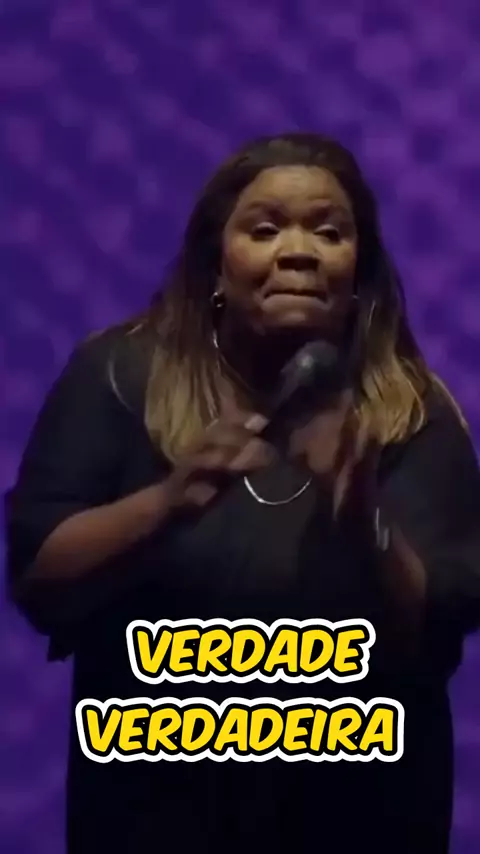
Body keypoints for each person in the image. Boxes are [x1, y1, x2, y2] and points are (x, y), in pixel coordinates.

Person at [5, 132, 480, 854]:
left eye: (330, 232)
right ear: (216, 266)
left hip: (360, 819)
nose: (300, 252)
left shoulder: (413, 411)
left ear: (360, 273)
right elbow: (40, 580)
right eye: (265, 229)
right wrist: (165, 505)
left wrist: (360, 515)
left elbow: (433, 621)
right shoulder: (119, 376)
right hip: (152, 818)